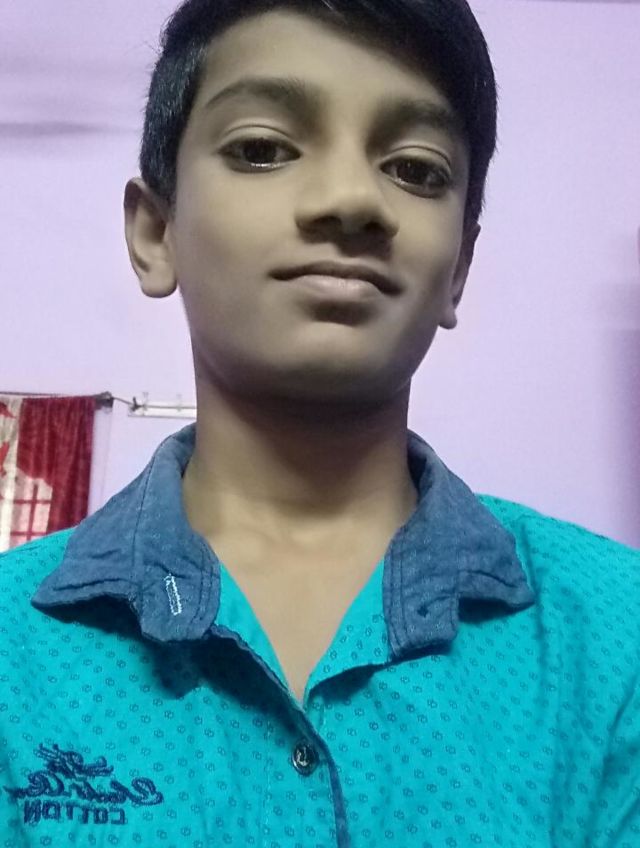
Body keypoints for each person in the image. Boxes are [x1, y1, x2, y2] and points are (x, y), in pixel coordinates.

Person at [1, 0, 638, 845]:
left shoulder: (616, 636)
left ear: (459, 266)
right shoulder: (13, 650)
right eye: (263, 149)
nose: (351, 199)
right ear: (156, 232)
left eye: (415, 168)